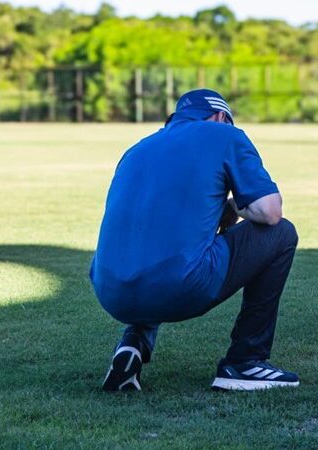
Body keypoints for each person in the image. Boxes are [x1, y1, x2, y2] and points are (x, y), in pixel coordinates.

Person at [91, 89, 300, 391]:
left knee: (155, 248)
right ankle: (245, 362)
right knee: (281, 233)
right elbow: (269, 212)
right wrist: (231, 207)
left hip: (110, 292)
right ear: (219, 117)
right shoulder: (224, 135)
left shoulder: (137, 148)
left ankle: (133, 343)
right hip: (179, 286)